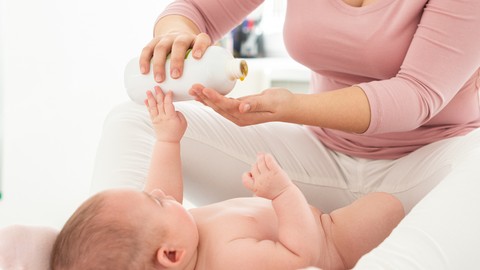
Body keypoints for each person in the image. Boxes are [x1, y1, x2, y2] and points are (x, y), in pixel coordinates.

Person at [89, 0, 480, 267]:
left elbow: (416, 95)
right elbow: (193, 11)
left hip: (426, 171)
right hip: (317, 161)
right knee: (137, 118)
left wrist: (292, 107)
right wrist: (176, 37)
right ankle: (116, 260)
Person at [51, 88, 404, 270]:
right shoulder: (230, 260)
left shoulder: (182, 235)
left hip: (312, 217)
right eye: (156, 201)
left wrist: (167, 140)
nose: (160, 192)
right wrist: (281, 194)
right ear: (172, 255)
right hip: (332, 237)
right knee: (390, 207)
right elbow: (302, 254)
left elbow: (165, 189)